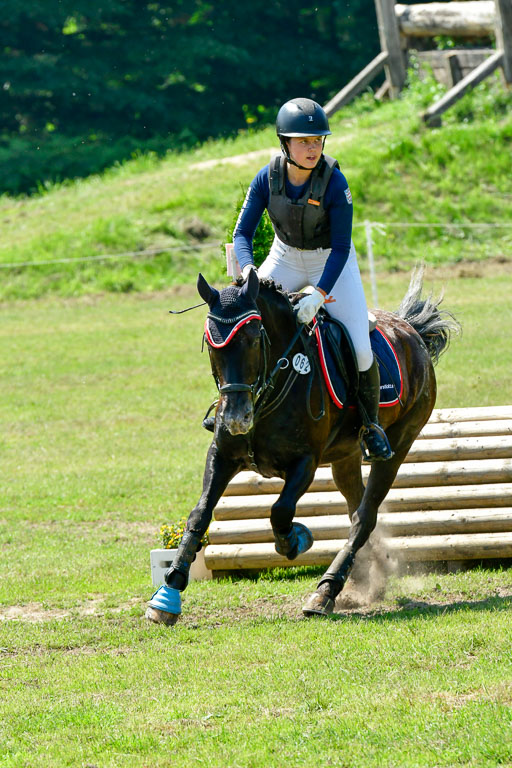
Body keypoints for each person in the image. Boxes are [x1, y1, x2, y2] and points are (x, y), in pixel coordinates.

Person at [210, 97, 393, 461]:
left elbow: (341, 247)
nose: (312, 148)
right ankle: (228, 407)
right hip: (284, 257)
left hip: (331, 262)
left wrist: (319, 295)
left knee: (359, 345)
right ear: (285, 143)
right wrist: (249, 270)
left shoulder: (335, 183)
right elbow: (242, 234)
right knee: (240, 321)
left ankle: (371, 427)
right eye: (303, 141)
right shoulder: (267, 177)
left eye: (317, 141)